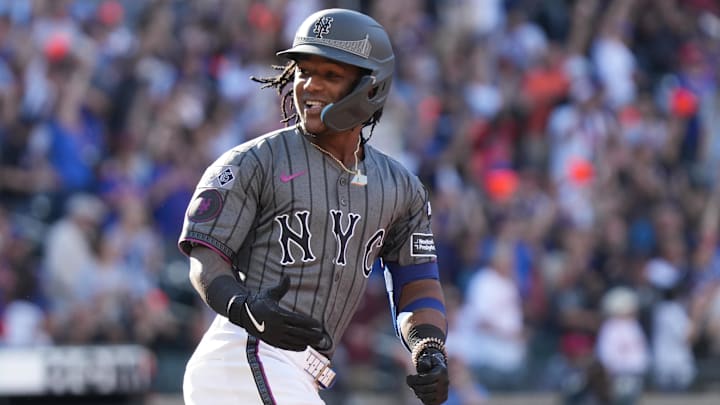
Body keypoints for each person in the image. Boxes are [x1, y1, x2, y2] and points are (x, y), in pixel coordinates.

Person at [177, 8, 449, 405]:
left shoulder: (401, 188)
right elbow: (205, 257)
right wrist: (244, 305)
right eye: (304, 71)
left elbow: (418, 283)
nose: (309, 86)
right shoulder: (254, 160)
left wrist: (428, 347)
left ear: (370, 87)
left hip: (299, 375)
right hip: (246, 354)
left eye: (330, 76)